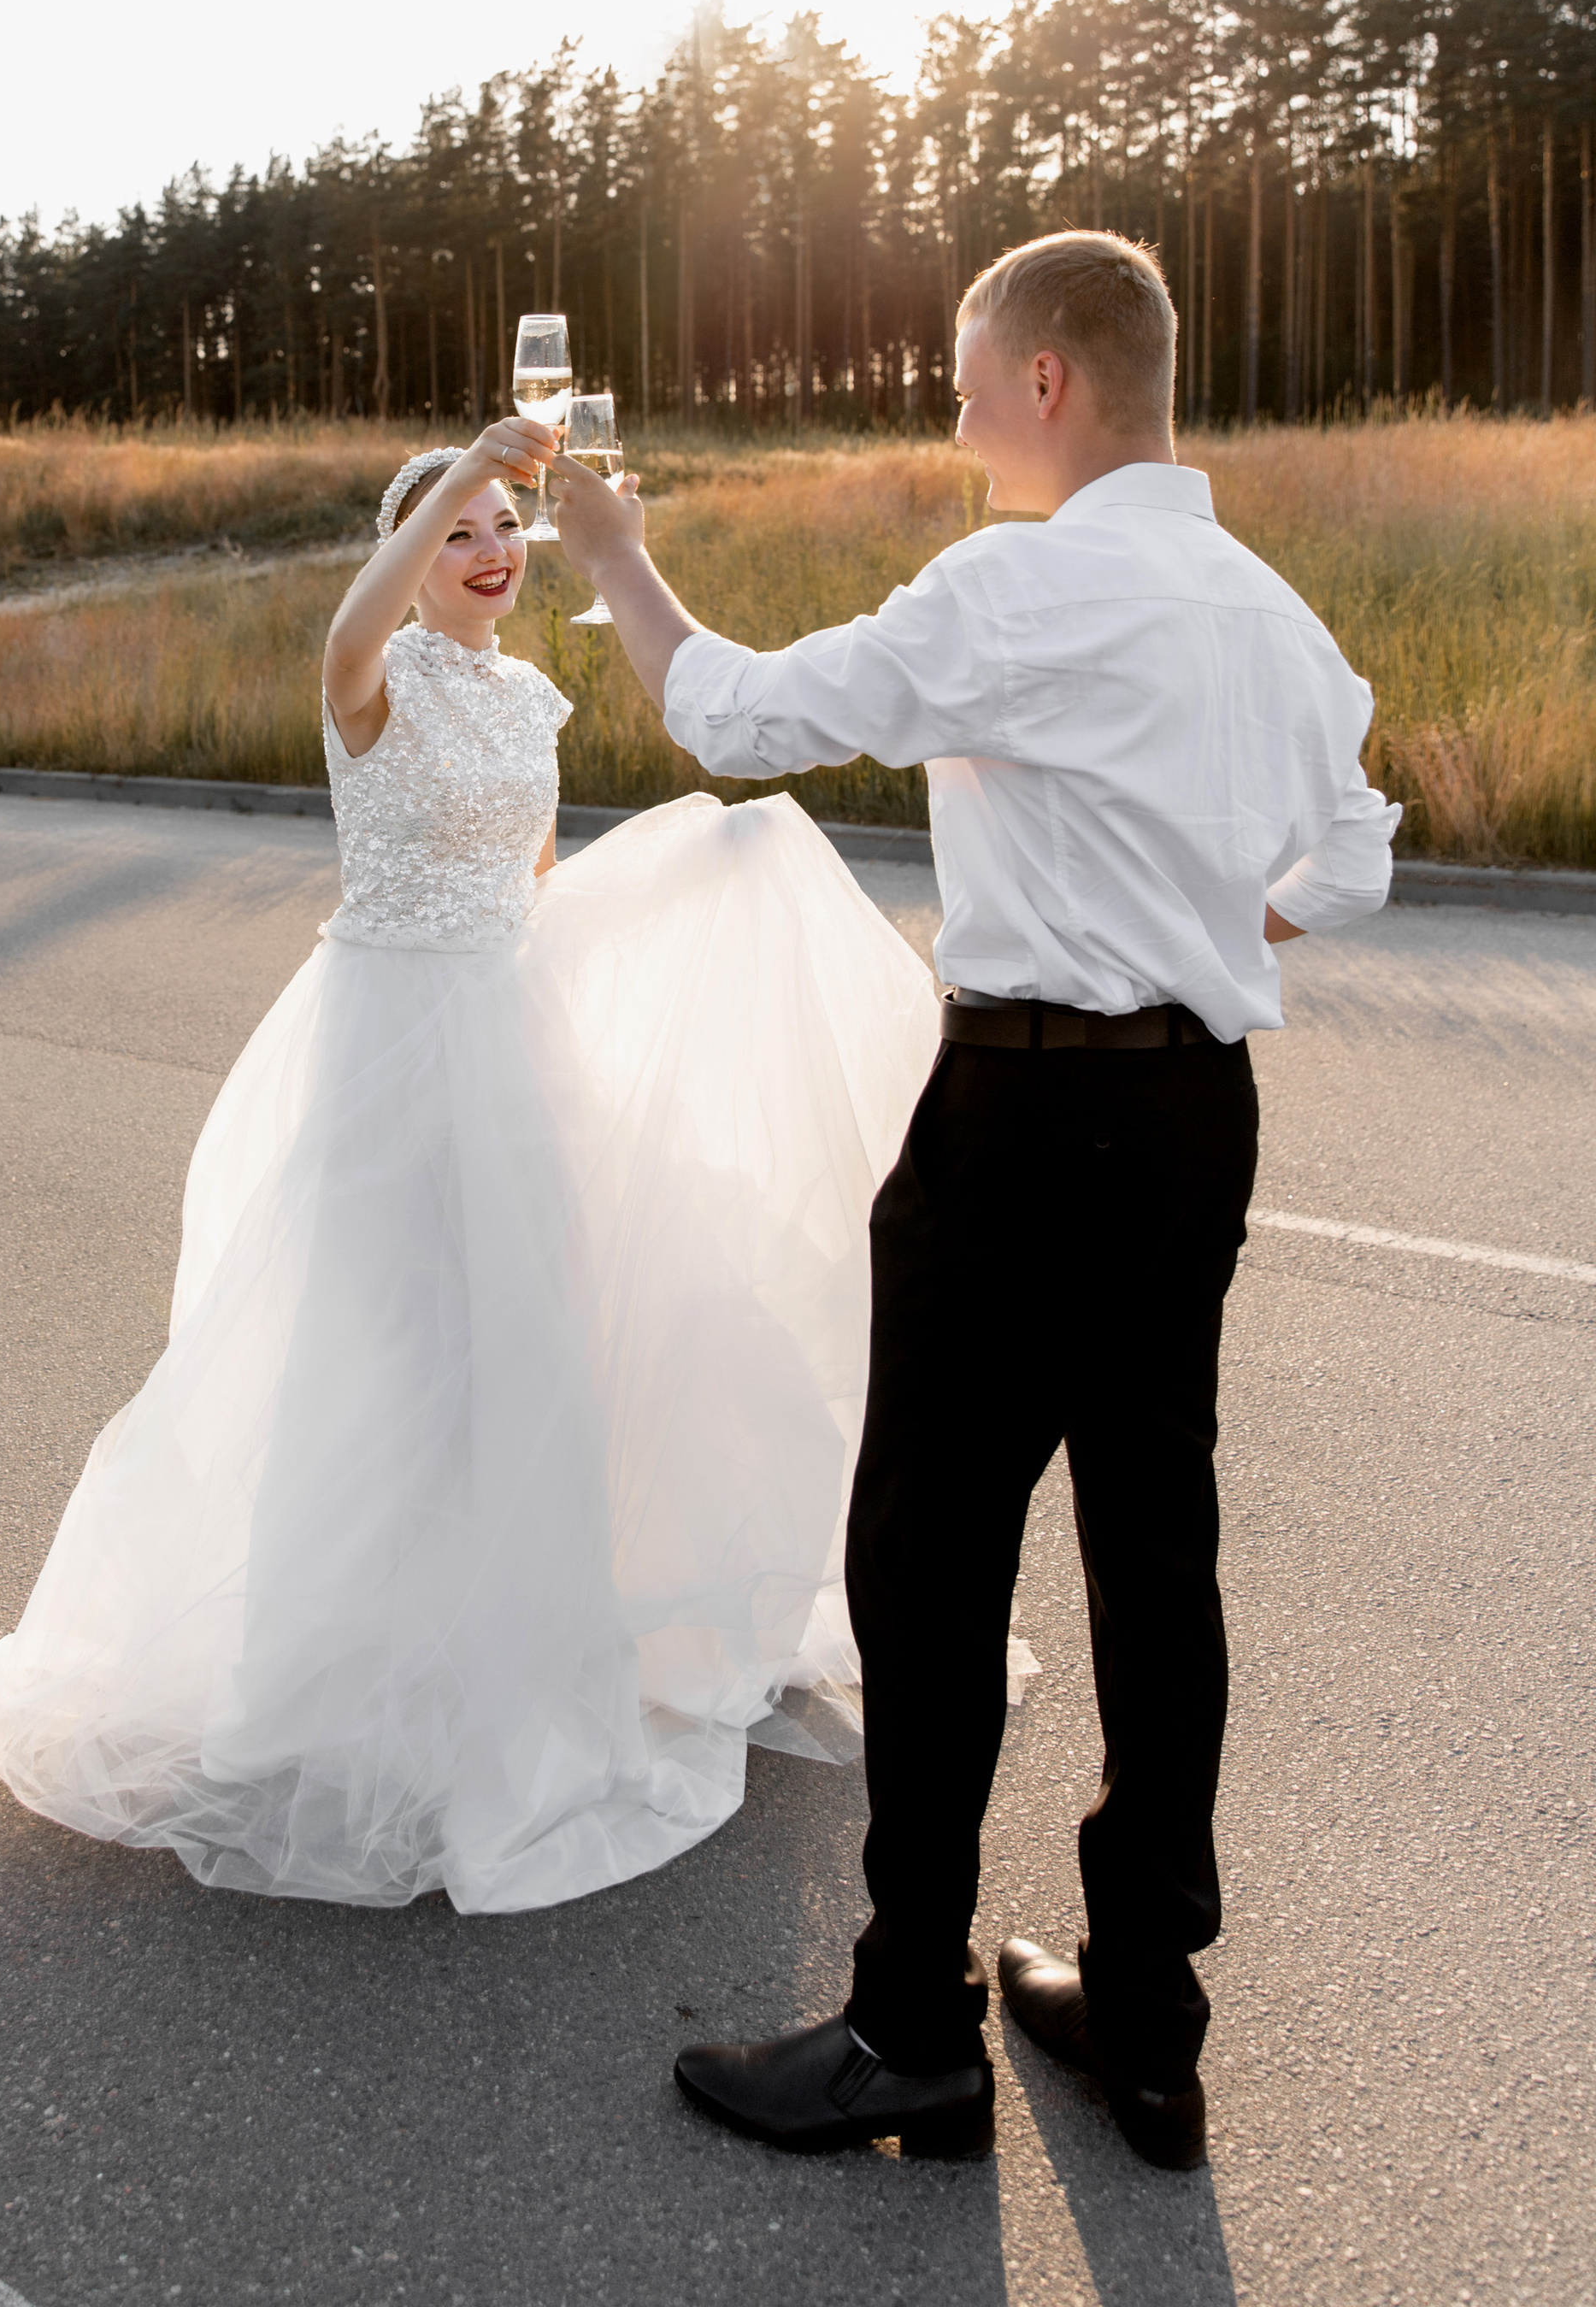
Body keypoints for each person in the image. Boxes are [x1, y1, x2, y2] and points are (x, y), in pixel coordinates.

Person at [551, 230, 1397, 2169]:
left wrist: (611, 553)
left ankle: (907, 2023)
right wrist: (1192, 920)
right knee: (1152, 1551)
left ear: (1046, 382)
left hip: (1018, 1123)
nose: (945, 411)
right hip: (1195, 1115)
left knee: (929, 1564)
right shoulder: (1264, 610)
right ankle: (1147, 2021)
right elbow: (1347, 857)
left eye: (959, 373)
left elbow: (741, 718)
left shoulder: (1019, 584)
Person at [0, 414, 941, 1914]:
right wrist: (458, 475)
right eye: (457, 534)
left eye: (503, 534)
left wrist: (676, 910)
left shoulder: (527, 700)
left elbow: (536, 893)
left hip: (508, 1043)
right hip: (387, 1048)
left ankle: (523, 1661)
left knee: (528, 1358)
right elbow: (357, 617)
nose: (487, 557)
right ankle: (334, 1674)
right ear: (411, 563)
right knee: (387, 1355)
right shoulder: (370, 678)